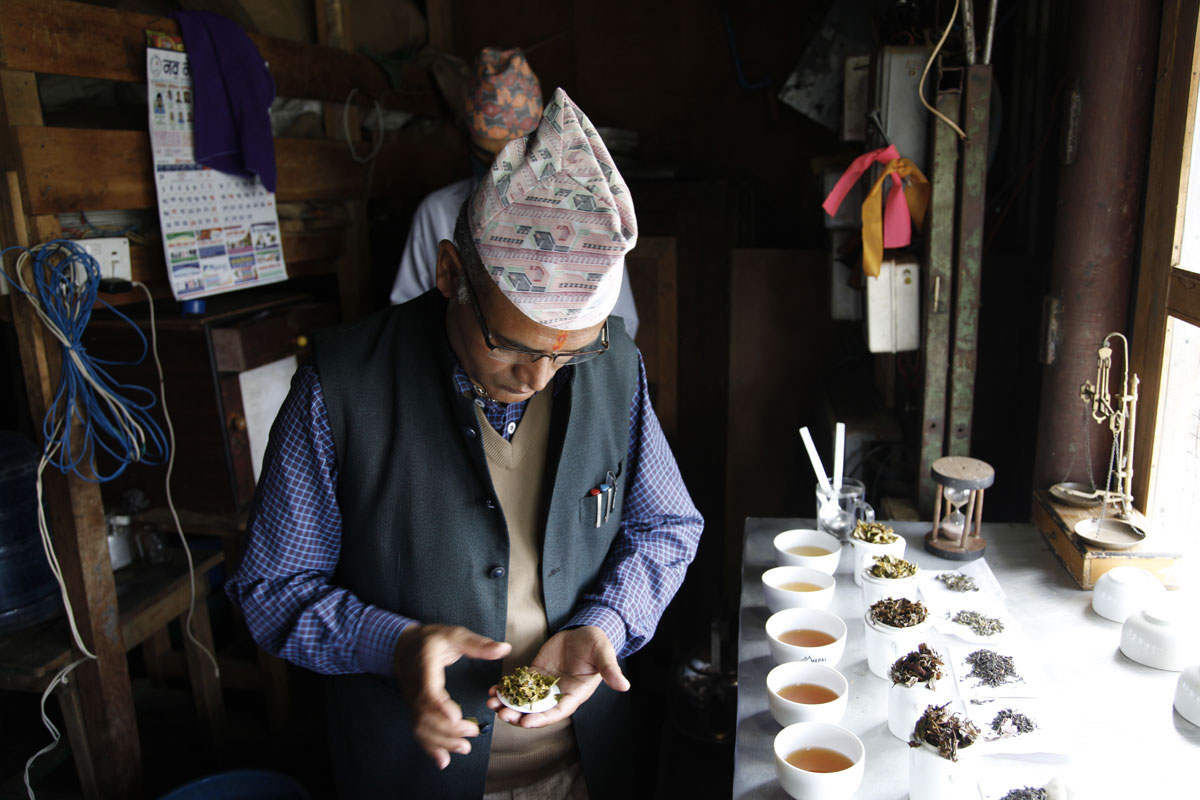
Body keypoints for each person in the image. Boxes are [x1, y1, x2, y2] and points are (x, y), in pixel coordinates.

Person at [227, 87, 701, 799]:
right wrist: (391, 642)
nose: (539, 377)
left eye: (567, 353)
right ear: (451, 274)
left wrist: (608, 620)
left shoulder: (615, 366)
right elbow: (272, 590)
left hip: (587, 765)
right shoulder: (340, 388)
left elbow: (666, 528)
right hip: (414, 774)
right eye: (511, 342)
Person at [390, 48, 639, 340]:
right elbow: (406, 311)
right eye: (485, 153)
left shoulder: (584, 212)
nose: (498, 171)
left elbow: (621, 326)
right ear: (465, 137)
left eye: (510, 153)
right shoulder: (437, 211)